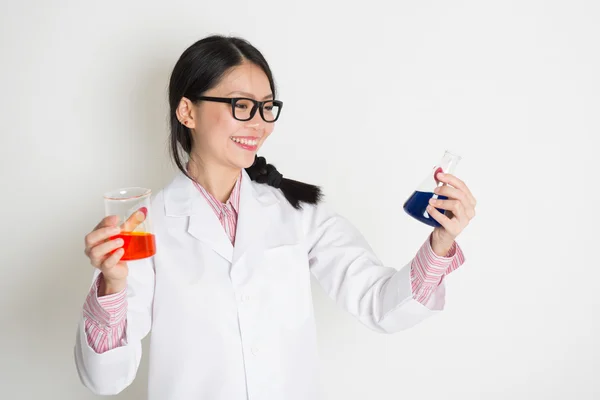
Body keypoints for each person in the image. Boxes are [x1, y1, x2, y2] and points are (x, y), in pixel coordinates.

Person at [74, 35, 477, 400]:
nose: (260, 123)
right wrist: (112, 282)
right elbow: (105, 379)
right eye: (241, 106)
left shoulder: (298, 210)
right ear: (187, 111)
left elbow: (380, 305)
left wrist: (440, 243)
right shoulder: (146, 226)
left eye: (267, 108)